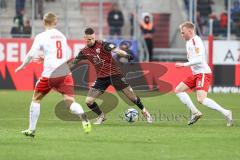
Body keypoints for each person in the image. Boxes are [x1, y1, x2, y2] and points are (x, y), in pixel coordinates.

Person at [15, 12, 91, 137]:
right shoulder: (61, 36)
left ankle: (31, 130)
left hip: (50, 73)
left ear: (43, 22)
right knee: (70, 101)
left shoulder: (41, 36)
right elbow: (66, 55)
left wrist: (23, 66)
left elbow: (31, 54)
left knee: (36, 99)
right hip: (64, 72)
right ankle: (83, 116)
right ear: (56, 23)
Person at [68, 27, 153, 125]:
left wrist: (126, 55)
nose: (90, 41)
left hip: (115, 74)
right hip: (101, 78)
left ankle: (145, 111)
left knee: (132, 98)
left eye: (92, 38)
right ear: (84, 38)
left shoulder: (103, 44)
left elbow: (117, 50)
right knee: (89, 101)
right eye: (88, 39)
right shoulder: (84, 51)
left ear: (94, 36)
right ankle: (101, 116)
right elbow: (74, 62)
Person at [175, 21, 233, 126]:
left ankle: (226, 113)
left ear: (190, 31)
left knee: (201, 99)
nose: (181, 34)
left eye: (183, 32)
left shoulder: (196, 41)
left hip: (203, 73)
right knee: (178, 90)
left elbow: (199, 60)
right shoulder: (188, 42)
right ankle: (195, 112)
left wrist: (184, 65)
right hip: (195, 73)